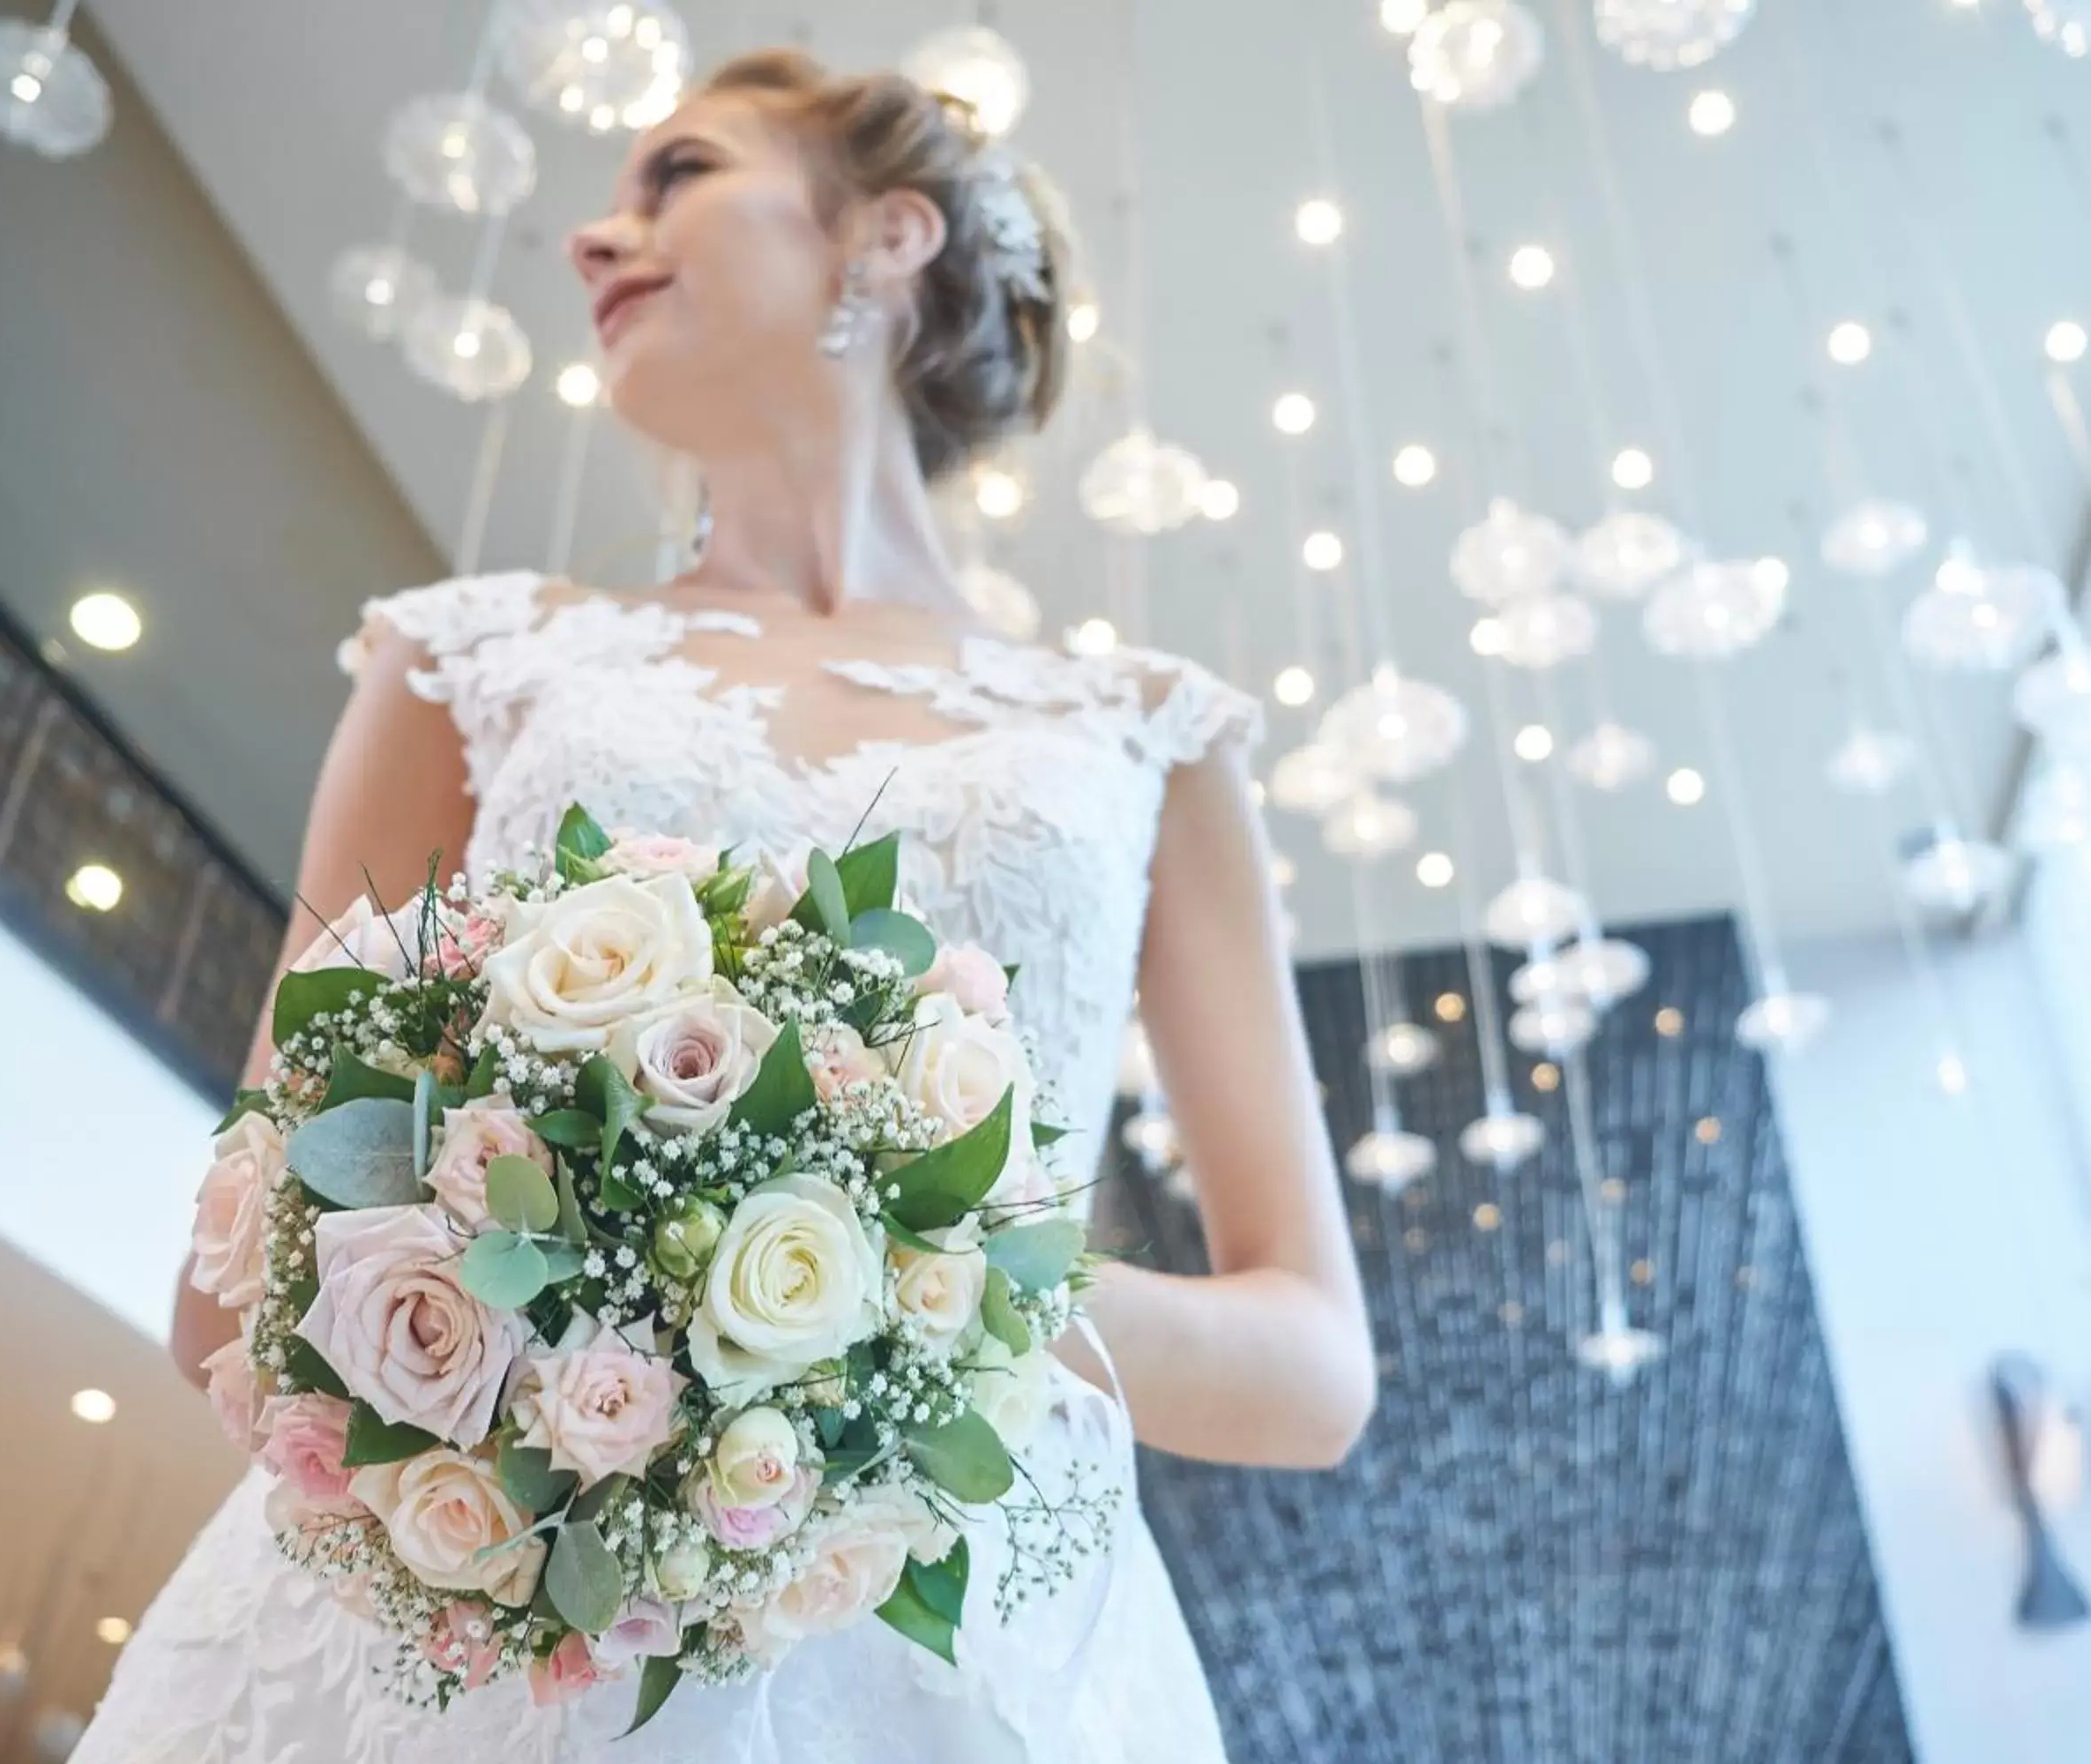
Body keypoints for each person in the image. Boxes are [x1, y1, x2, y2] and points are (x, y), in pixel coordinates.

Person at [77, 49, 1370, 1762]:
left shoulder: (1144, 732)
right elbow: (225, 1282)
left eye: (675, 173)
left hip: (955, 1653)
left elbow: (1313, 1365)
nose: (593, 239)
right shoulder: (470, 656)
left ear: (887, 235)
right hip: (484, 1646)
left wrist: (913, 1273)